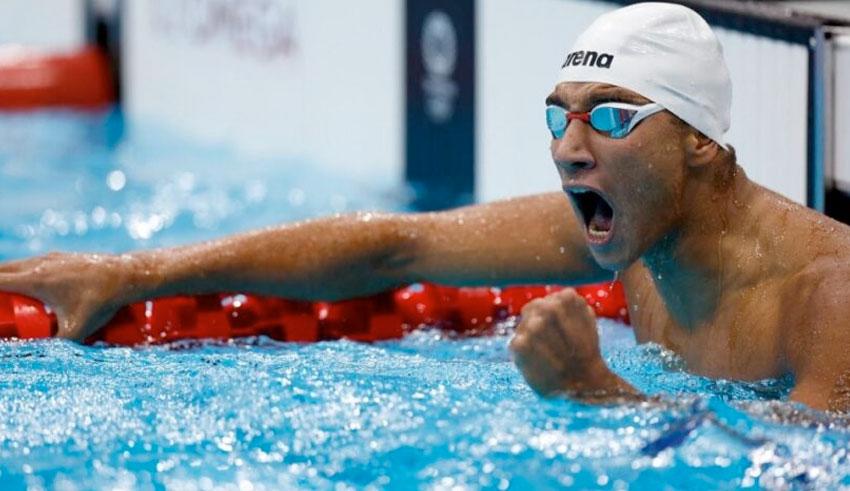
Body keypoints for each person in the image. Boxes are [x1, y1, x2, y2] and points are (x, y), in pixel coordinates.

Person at [2, 2, 849, 412]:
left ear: (700, 140)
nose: (569, 146)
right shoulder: (631, 227)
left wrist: (600, 392)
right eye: (560, 114)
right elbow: (399, 247)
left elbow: (798, 464)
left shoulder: (828, 296)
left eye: (613, 116)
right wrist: (133, 269)